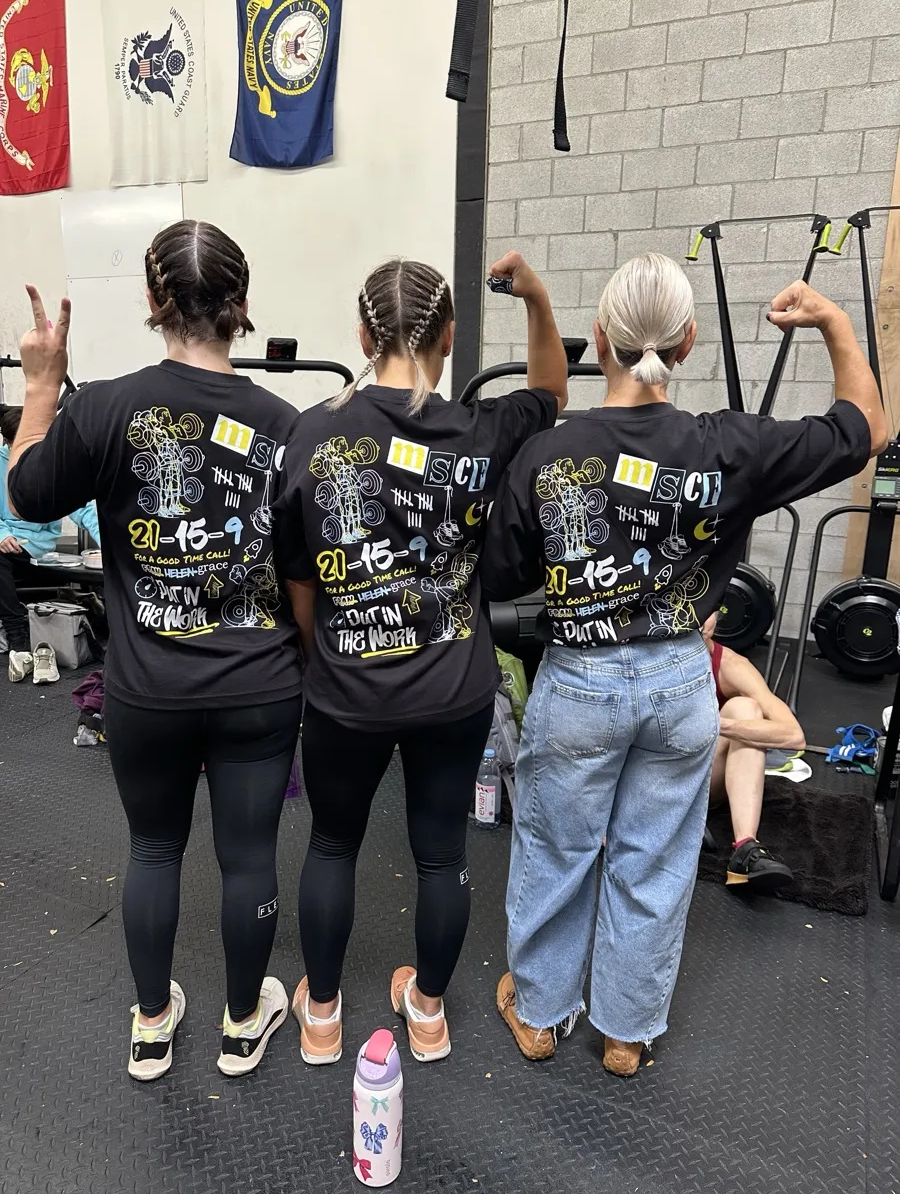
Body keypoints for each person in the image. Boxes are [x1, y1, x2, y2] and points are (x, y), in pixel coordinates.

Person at [481, 257, 885, 1077]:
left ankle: (540, 1012)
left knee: (559, 849)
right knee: (654, 859)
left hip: (581, 680)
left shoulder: (550, 456)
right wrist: (836, 322)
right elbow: (866, 429)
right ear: (690, 343)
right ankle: (626, 1033)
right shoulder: (726, 445)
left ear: (600, 340)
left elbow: (498, 574)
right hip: (678, 679)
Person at [8, 220, 304, 1081]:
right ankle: (244, 1024)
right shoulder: (283, 422)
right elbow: (299, 571)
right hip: (258, 681)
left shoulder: (105, 406)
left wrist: (40, 382)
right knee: (249, 856)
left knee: (152, 850)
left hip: (147, 685)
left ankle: (150, 1026)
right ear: (242, 307)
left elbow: (26, 492)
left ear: (151, 301)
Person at [275, 252, 568, 1065]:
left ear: (363, 334)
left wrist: (319, 654)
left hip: (346, 687)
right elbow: (551, 388)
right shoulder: (482, 431)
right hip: (454, 688)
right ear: (448, 335)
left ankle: (324, 1018)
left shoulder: (314, 431)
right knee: (442, 851)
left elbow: (298, 577)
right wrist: (536, 299)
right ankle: (428, 1013)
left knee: (333, 844)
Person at [701, 613, 804, 891]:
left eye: (705, 612)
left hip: (702, 776)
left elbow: (794, 735)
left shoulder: (731, 666)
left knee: (746, 710)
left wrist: (714, 723)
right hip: (652, 775)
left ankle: (745, 850)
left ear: (718, 615)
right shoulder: (646, 654)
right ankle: (669, 819)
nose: (697, 621)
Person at [0, 405, 100, 682]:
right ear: (10, 441)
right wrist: (1, 535)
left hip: (36, 547)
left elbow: (83, 509)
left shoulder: (51, 465)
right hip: (6, 543)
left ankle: (18, 640)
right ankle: (18, 637)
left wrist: (110, 540)